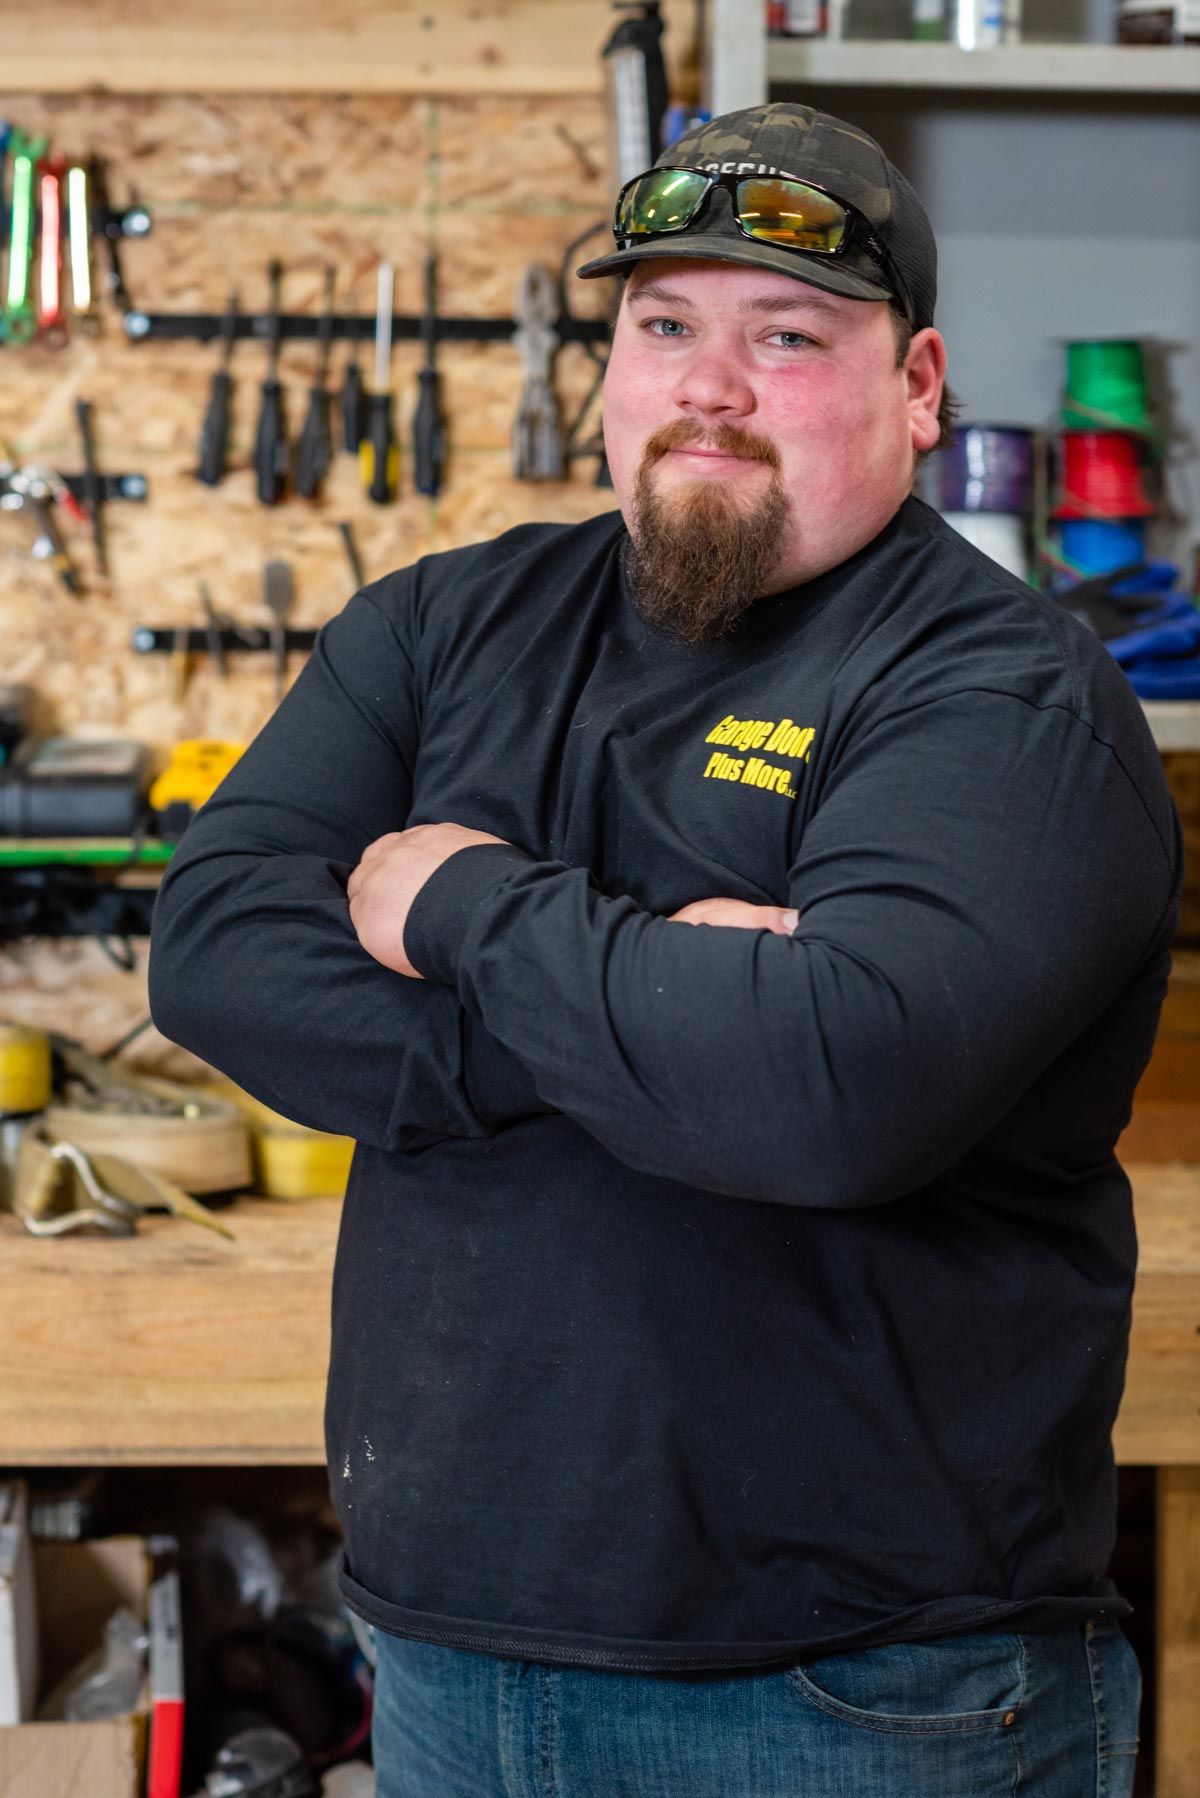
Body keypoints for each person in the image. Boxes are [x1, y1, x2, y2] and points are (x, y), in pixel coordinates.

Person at [148, 102, 1179, 1797]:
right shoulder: (440, 623)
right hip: (449, 1655)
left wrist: (466, 911)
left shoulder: (1006, 697)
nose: (710, 384)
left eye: (787, 336)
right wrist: (657, 1012)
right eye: (664, 325)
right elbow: (217, 948)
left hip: (861, 1691)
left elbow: (825, 1087)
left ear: (916, 388)